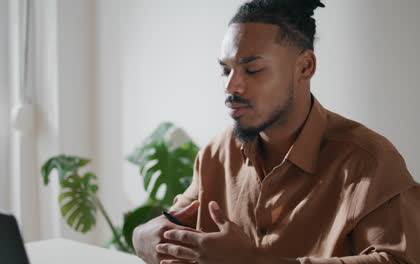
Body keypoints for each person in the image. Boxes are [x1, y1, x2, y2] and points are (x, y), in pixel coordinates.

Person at [132, 0, 420, 264]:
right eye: (226, 70)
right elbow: (174, 223)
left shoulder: (369, 160)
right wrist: (142, 236)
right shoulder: (217, 153)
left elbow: (399, 260)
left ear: (305, 67)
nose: (231, 87)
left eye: (253, 70)